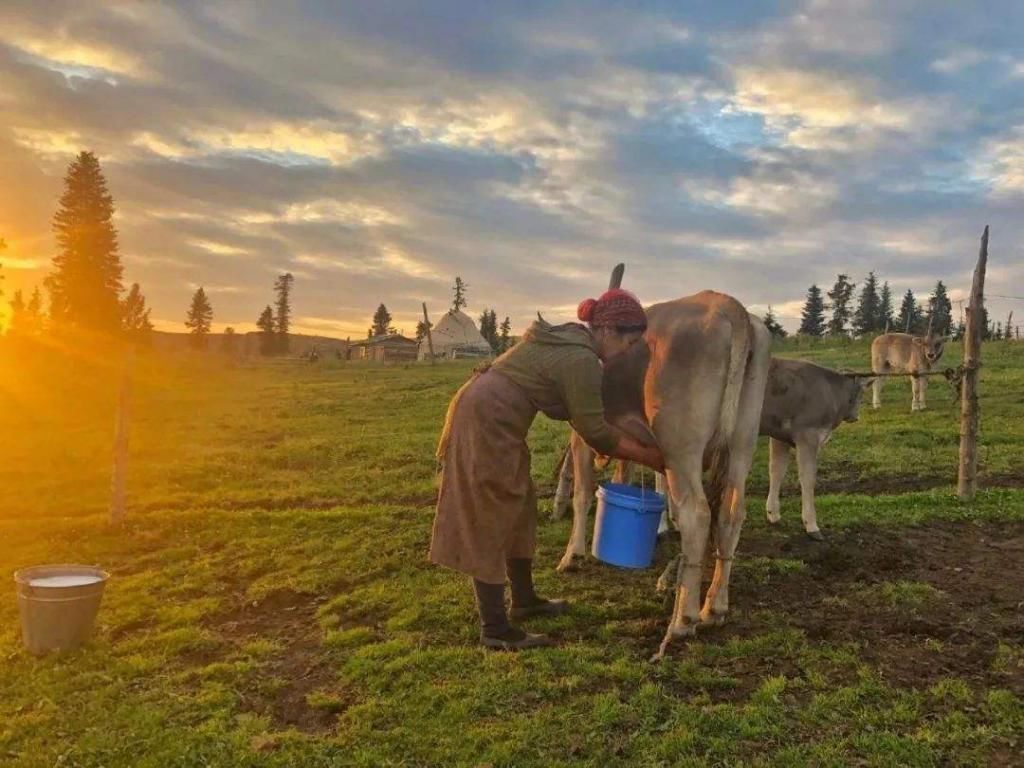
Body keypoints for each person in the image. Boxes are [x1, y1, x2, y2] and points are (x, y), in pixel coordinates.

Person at [429, 288, 665, 650]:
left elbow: (570, 408)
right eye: (629, 342)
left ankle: (524, 600)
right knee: (490, 510)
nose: (628, 351)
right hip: (487, 419)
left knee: (519, 505)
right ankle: (495, 628)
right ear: (606, 332)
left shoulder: (572, 342)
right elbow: (597, 434)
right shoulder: (580, 360)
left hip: (497, 415)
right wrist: (651, 457)